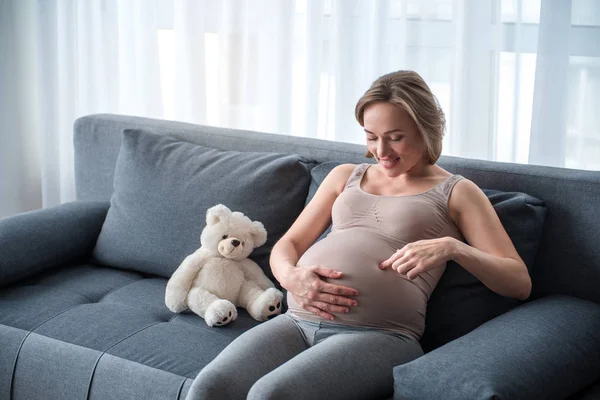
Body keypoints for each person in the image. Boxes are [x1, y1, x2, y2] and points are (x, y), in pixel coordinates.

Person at [186, 70, 531, 400]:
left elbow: (518, 282)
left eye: (395, 137)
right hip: (295, 321)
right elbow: (288, 245)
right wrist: (292, 277)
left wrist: (454, 248)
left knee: (271, 395)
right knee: (209, 388)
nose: (380, 150)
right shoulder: (345, 176)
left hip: (381, 336)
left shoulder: (457, 192)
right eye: (370, 136)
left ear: (426, 129)